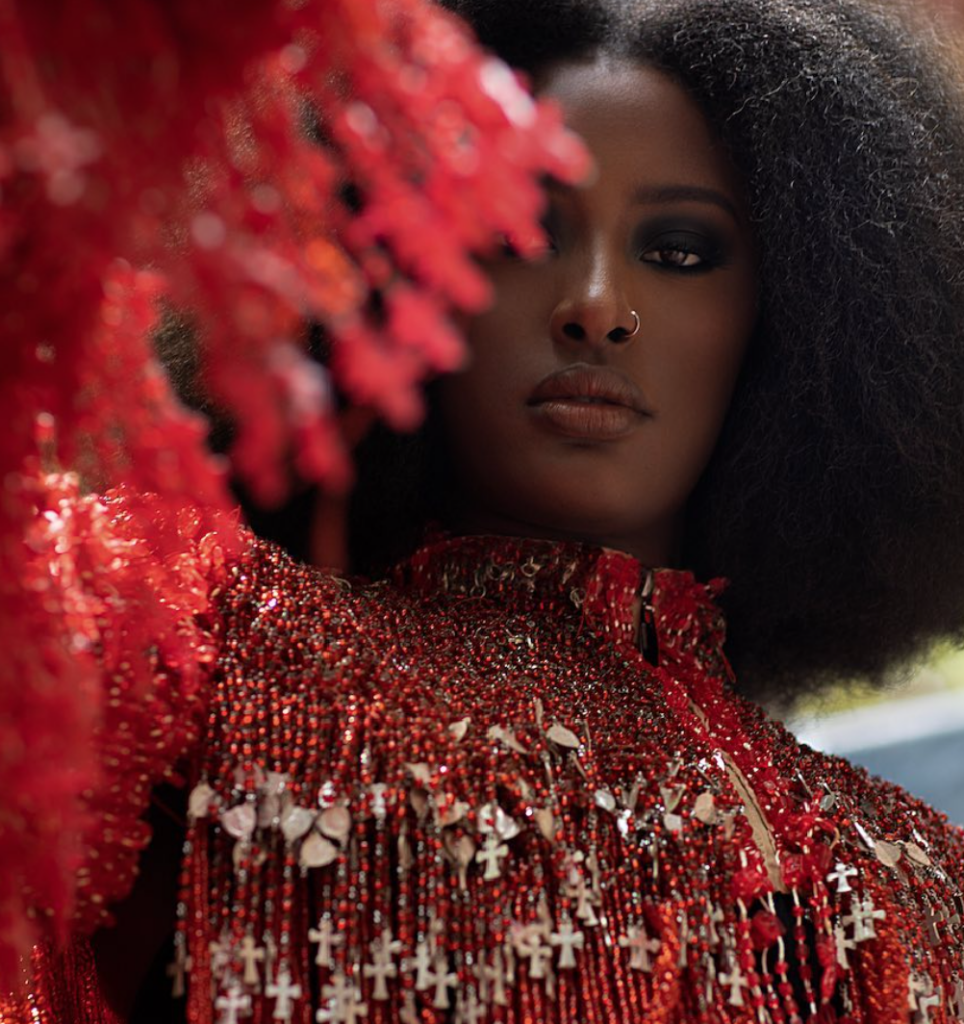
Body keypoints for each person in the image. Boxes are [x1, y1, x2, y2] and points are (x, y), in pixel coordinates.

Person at [7, 0, 964, 1021]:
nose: (595, 303)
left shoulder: (923, 881)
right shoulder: (198, 656)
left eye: (680, 251)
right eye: (520, 227)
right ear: (390, 269)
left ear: (795, 323)